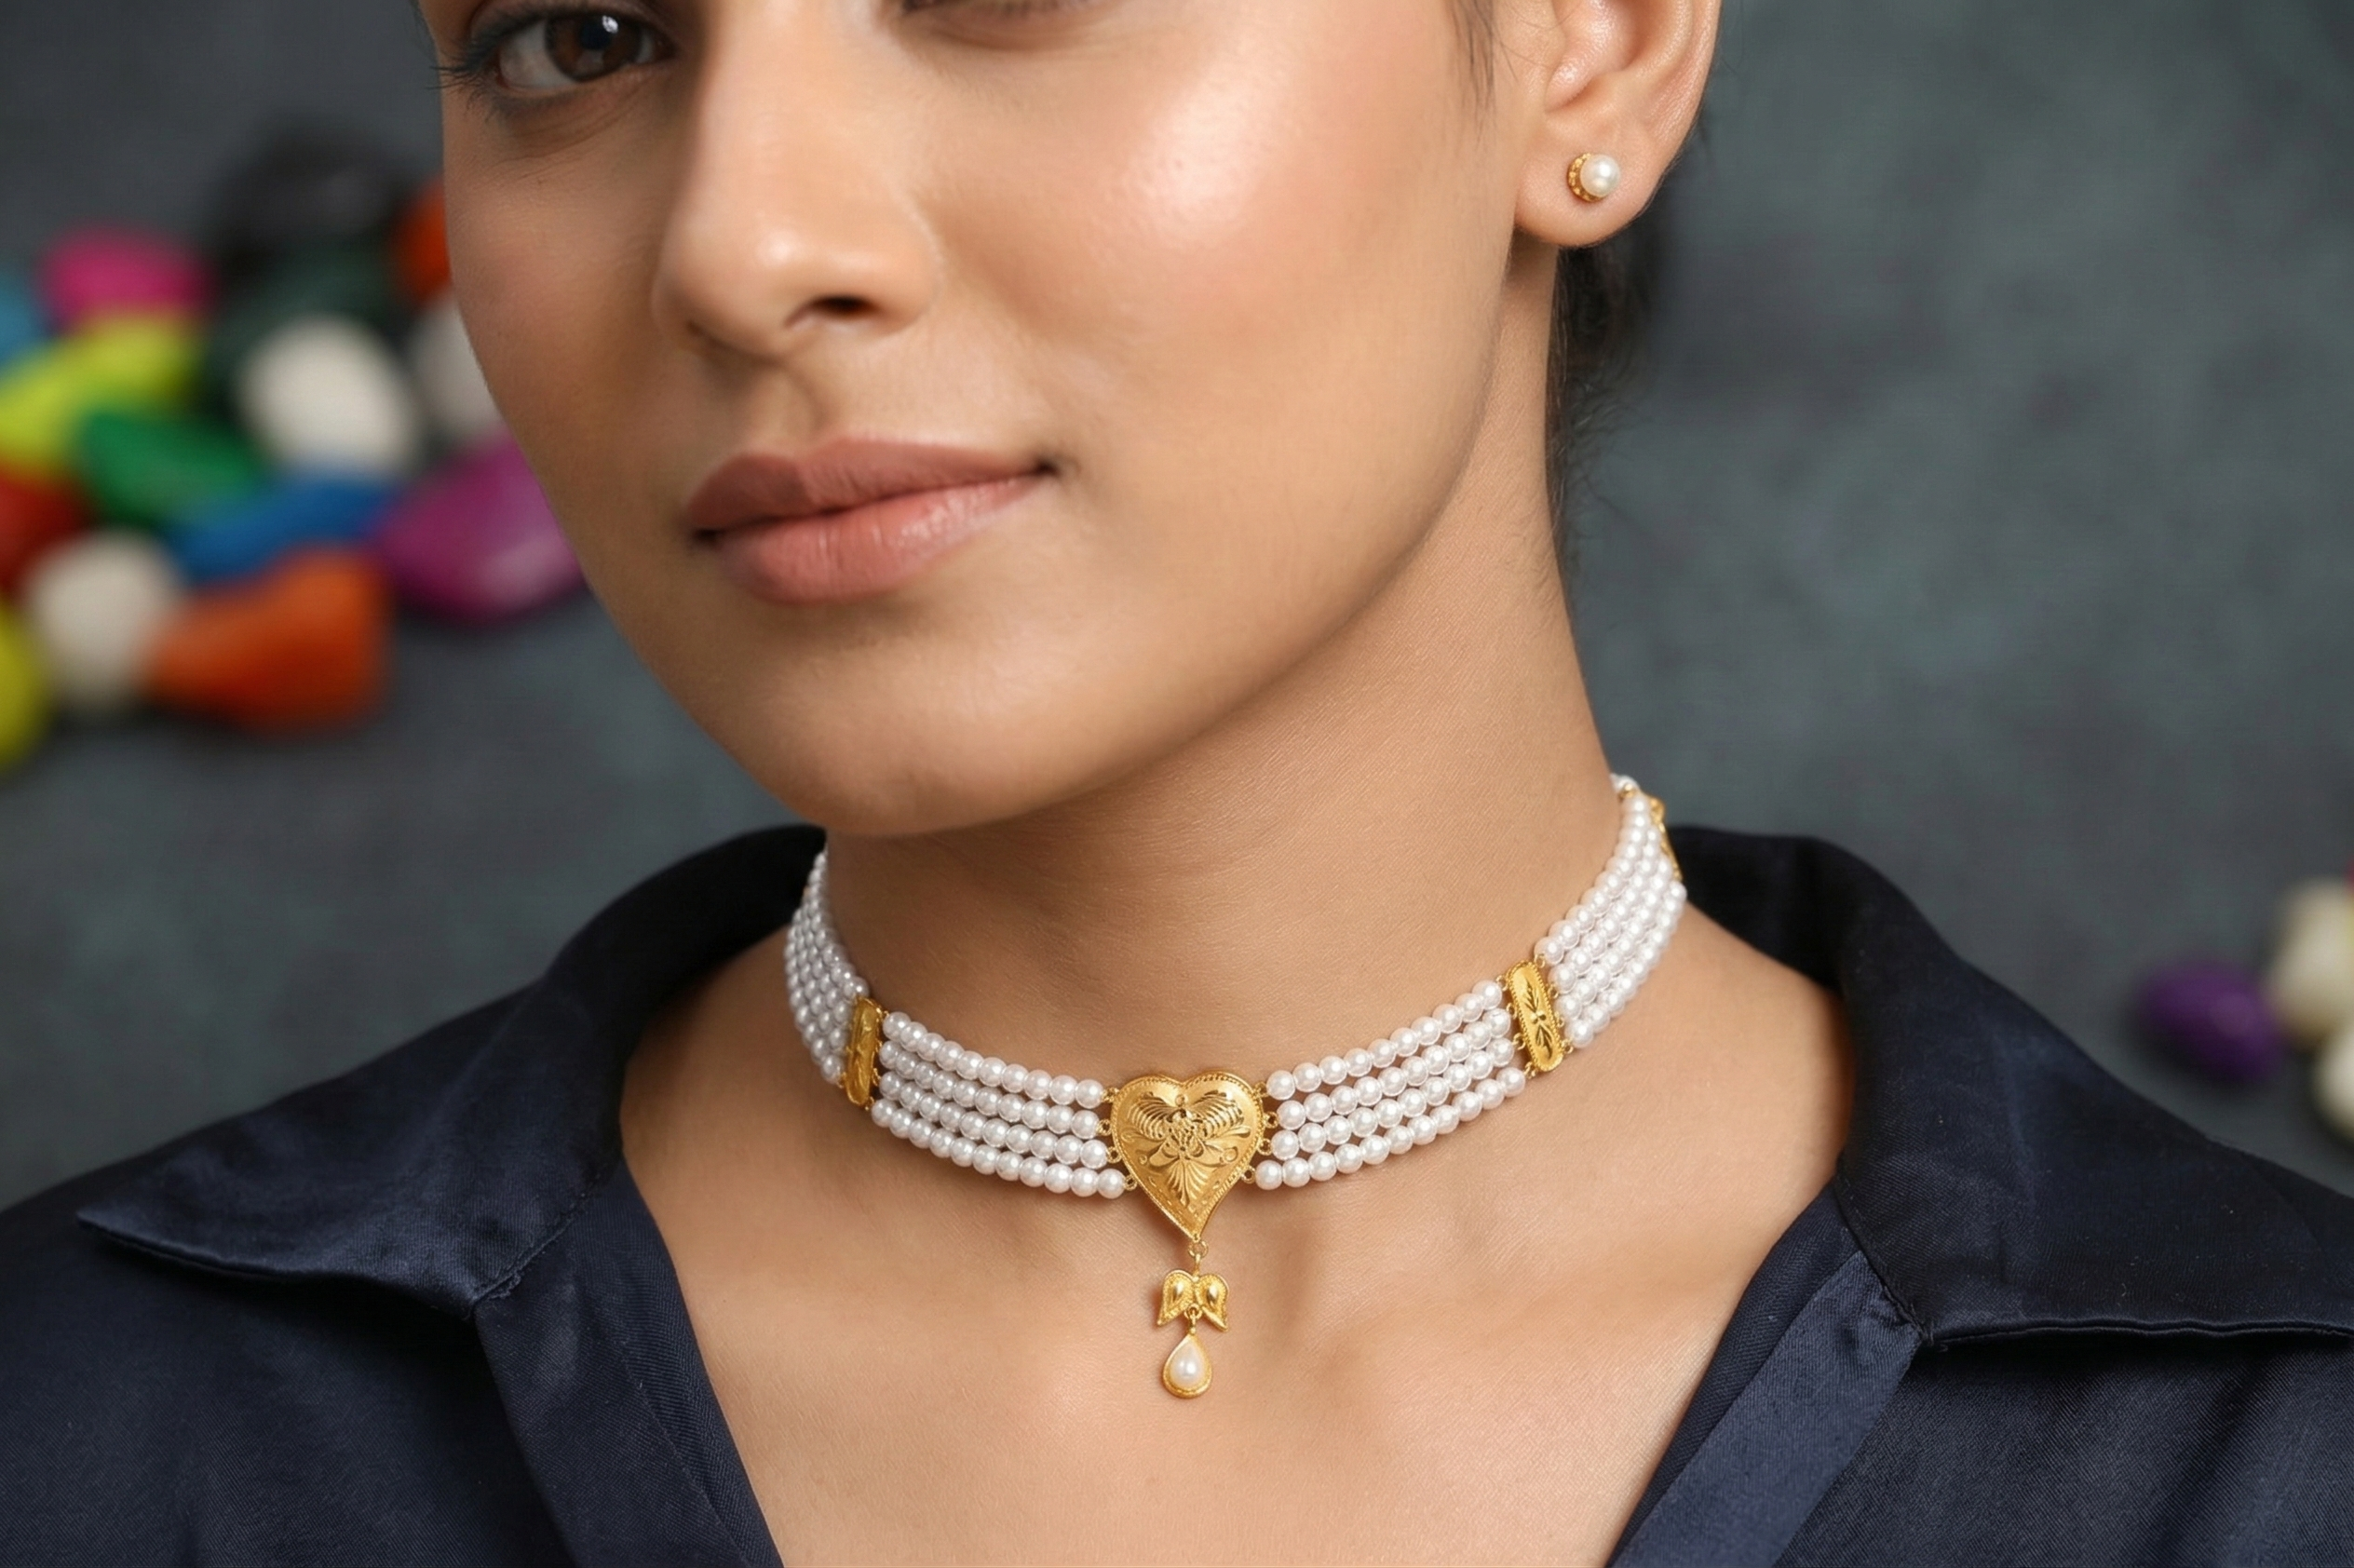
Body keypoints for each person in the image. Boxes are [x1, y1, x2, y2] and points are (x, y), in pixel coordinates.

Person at [4, 1, 2351, 1562]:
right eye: (574, 34)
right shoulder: (89, 1424)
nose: (740, 244)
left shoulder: (2273, 1459)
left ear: (1592, 41)